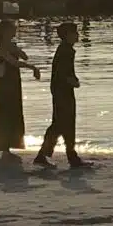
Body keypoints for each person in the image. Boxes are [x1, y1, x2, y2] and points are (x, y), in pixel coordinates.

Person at [0, 6, 39, 162]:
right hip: (5, 84)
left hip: (14, 82)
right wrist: (31, 68)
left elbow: (24, 57)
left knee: (14, 112)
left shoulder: (10, 45)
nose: (14, 32)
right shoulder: (0, 47)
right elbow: (14, 63)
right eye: (12, 30)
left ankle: (7, 147)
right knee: (4, 114)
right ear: (4, 32)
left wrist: (17, 49)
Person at [36, 19, 90, 171]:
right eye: (75, 33)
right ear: (67, 35)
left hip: (60, 90)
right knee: (62, 123)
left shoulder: (65, 49)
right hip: (63, 91)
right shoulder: (66, 51)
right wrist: (74, 82)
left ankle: (68, 156)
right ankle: (58, 156)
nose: (78, 35)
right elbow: (63, 73)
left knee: (62, 124)